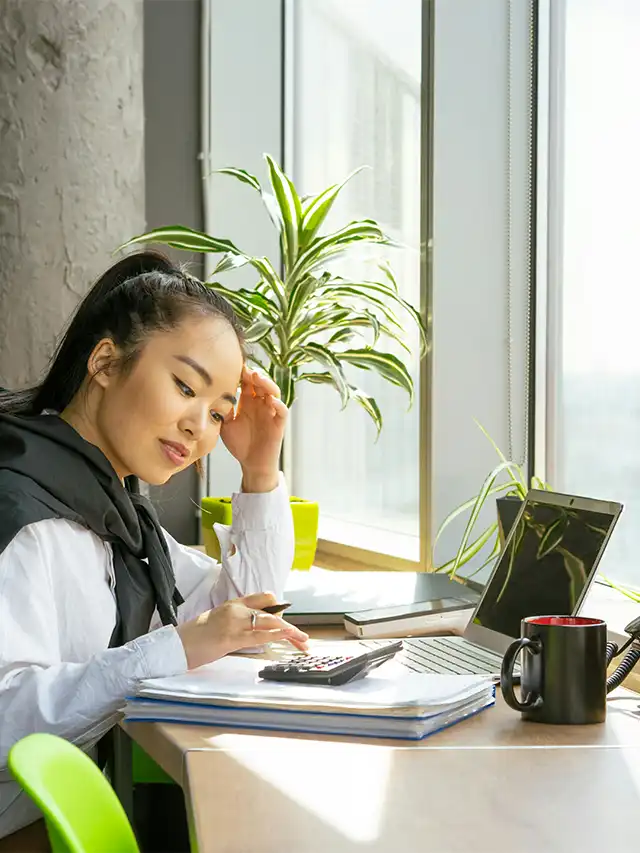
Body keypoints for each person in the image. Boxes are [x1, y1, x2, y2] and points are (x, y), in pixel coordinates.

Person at [0, 252, 309, 844]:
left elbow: (248, 610)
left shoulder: (111, 510)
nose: (200, 426)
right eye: (184, 387)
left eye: (219, 412)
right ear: (106, 361)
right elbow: (9, 718)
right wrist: (175, 647)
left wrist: (261, 470)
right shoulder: (28, 515)